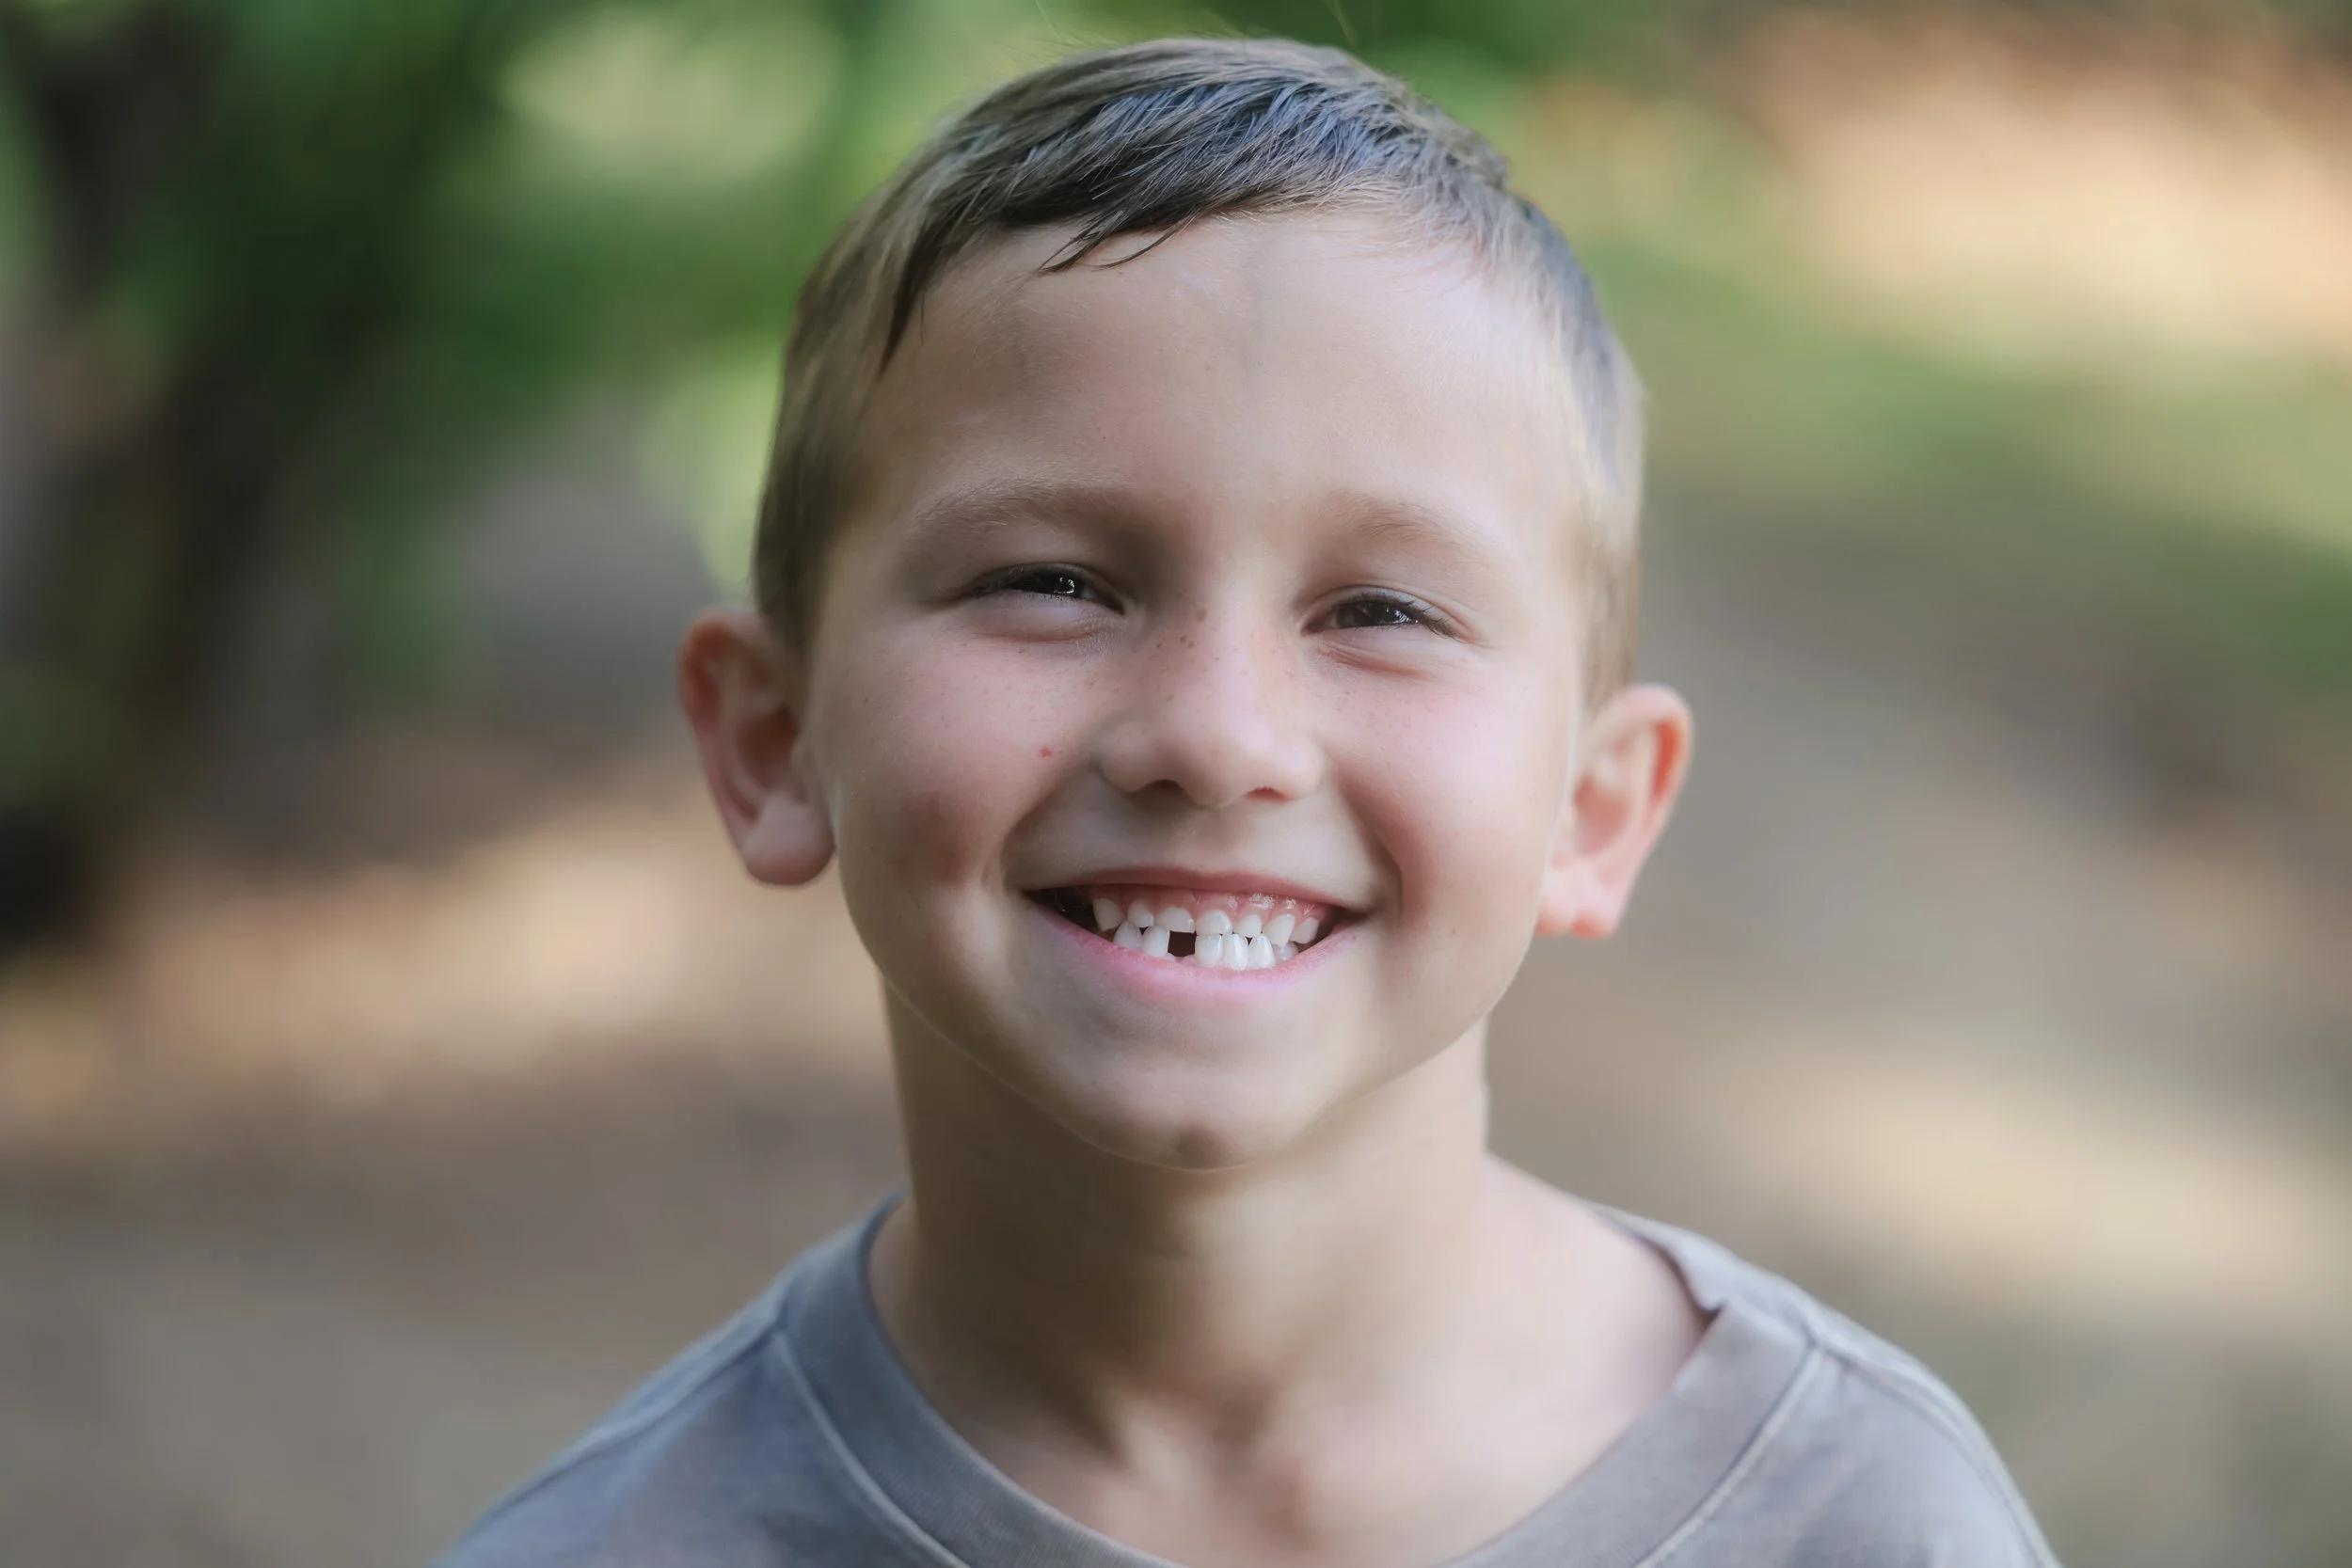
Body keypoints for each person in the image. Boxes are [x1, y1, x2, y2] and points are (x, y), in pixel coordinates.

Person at [438, 37, 2058, 1568]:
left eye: (1383, 611)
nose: (1216, 737)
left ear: (1593, 805)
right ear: (776, 742)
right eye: (1053, 580)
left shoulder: (1864, 1523)